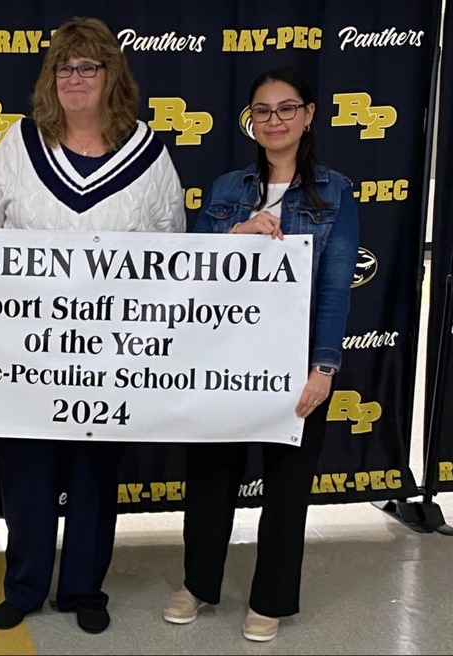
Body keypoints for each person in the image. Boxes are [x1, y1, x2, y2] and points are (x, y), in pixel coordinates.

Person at [0, 16, 186, 635]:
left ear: (110, 75)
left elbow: (171, 249)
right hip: (28, 345)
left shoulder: (149, 153)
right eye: (64, 67)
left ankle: (84, 589)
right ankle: (25, 584)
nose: (74, 78)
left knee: (96, 472)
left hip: (111, 350)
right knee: (28, 471)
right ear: (50, 78)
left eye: (87, 66)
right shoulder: (17, 146)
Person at [162, 66, 359, 642]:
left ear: (309, 115)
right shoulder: (226, 189)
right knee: (210, 477)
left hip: (296, 364)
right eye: (264, 111)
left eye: (286, 108)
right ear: (252, 120)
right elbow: (188, 269)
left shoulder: (337, 190)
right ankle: (198, 584)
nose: (275, 120)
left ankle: (270, 598)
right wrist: (234, 237)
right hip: (223, 359)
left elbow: (336, 286)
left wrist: (323, 369)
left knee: (288, 486)